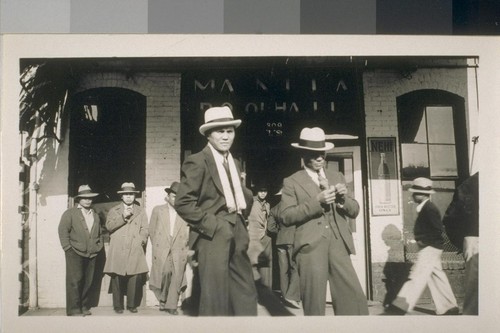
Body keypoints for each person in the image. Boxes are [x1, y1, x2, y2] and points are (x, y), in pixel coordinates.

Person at [175, 106, 257, 316]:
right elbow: (183, 202)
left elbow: (239, 198)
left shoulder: (234, 163)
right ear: (208, 134)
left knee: (245, 293)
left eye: (229, 131)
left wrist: (244, 192)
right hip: (212, 234)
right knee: (215, 298)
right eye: (220, 131)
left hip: (237, 230)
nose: (225, 136)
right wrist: (214, 226)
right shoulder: (197, 161)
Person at [280, 127, 368, 316]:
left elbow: (355, 211)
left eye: (322, 152)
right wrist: (316, 202)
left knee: (354, 299)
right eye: (314, 154)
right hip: (310, 246)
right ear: (304, 155)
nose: (320, 157)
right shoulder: (292, 181)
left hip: (339, 245)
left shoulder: (337, 176)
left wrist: (343, 199)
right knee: (314, 305)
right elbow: (285, 216)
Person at [386, 177, 459, 315]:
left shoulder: (429, 209)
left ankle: (401, 305)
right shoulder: (425, 208)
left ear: (424, 194)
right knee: (437, 276)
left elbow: (437, 229)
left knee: (417, 275)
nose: (413, 195)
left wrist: (425, 242)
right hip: (432, 247)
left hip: (430, 247)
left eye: (416, 193)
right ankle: (449, 306)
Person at [58, 184, 105, 316]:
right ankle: (73, 309)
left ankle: (84, 306)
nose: (87, 200)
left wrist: (98, 245)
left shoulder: (95, 214)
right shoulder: (70, 213)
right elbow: (63, 231)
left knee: (88, 281)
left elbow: (100, 233)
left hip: (92, 253)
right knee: (75, 280)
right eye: (84, 198)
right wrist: (67, 248)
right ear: (79, 199)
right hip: (75, 252)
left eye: (90, 198)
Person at [103, 182, 149, 314]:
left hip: (134, 247)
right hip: (118, 248)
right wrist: (123, 217)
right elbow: (109, 226)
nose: (128, 197)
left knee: (134, 276)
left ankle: (131, 305)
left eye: (131, 194)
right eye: (126, 194)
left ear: (135, 196)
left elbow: (145, 228)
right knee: (116, 277)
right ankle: (117, 306)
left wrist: (141, 240)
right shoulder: (114, 210)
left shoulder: (140, 211)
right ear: (121, 196)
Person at [149, 181, 189, 315]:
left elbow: (189, 231)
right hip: (163, 247)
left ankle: (171, 305)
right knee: (165, 272)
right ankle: (163, 298)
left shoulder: (185, 212)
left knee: (177, 275)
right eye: (173, 196)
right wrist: (157, 245)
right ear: (168, 196)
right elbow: (152, 230)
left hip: (179, 247)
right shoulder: (158, 210)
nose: (175, 199)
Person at [443, 172, 479, 315]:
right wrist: (464, 239)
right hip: (476, 237)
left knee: (476, 285)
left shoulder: (471, 183)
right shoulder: (471, 184)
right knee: (475, 285)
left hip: (475, 238)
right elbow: (452, 218)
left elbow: (450, 218)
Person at [267, 188, 300, 309]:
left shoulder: (274, 209)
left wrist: (280, 232)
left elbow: (270, 228)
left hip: (280, 241)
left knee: (283, 270)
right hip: (292, 240)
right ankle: (292, 296)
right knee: (295, 267)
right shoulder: (294, 207)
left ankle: (285, 295)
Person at [247, 185, 273, 287]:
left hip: (264, 236)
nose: (263, 193)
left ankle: (266, 290)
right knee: (252, 263)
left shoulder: (267, 204)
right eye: (261, 191)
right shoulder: (251, 202)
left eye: (265, 191)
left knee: (265, 264)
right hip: (253, 236)